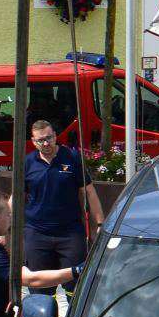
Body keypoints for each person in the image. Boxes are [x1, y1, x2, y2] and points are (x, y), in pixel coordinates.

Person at [24, 117, 103, 273]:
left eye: (49, 138)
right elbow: (17, 197)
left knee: (74, 285)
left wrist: (99, 224)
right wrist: (5, 230)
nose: (46, 143)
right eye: (41, 140)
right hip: (37, 233)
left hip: (70, 233)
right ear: (33, 141)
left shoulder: (72, 157)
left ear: (55, 135)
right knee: (41, 288)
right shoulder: (27, 163)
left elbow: (89, 191)